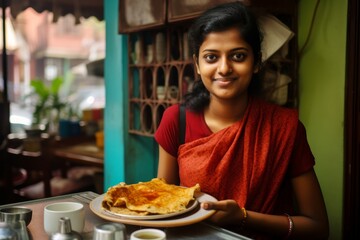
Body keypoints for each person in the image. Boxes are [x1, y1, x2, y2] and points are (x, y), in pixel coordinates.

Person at [154, 2, 329, 239]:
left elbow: (317, 227)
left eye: (238, 56)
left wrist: (244, 217)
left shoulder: (284, 128)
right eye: (211, 57)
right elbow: (162, 208)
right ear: (197, 64)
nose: (224, 68)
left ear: (256, 62)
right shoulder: (176, 120)